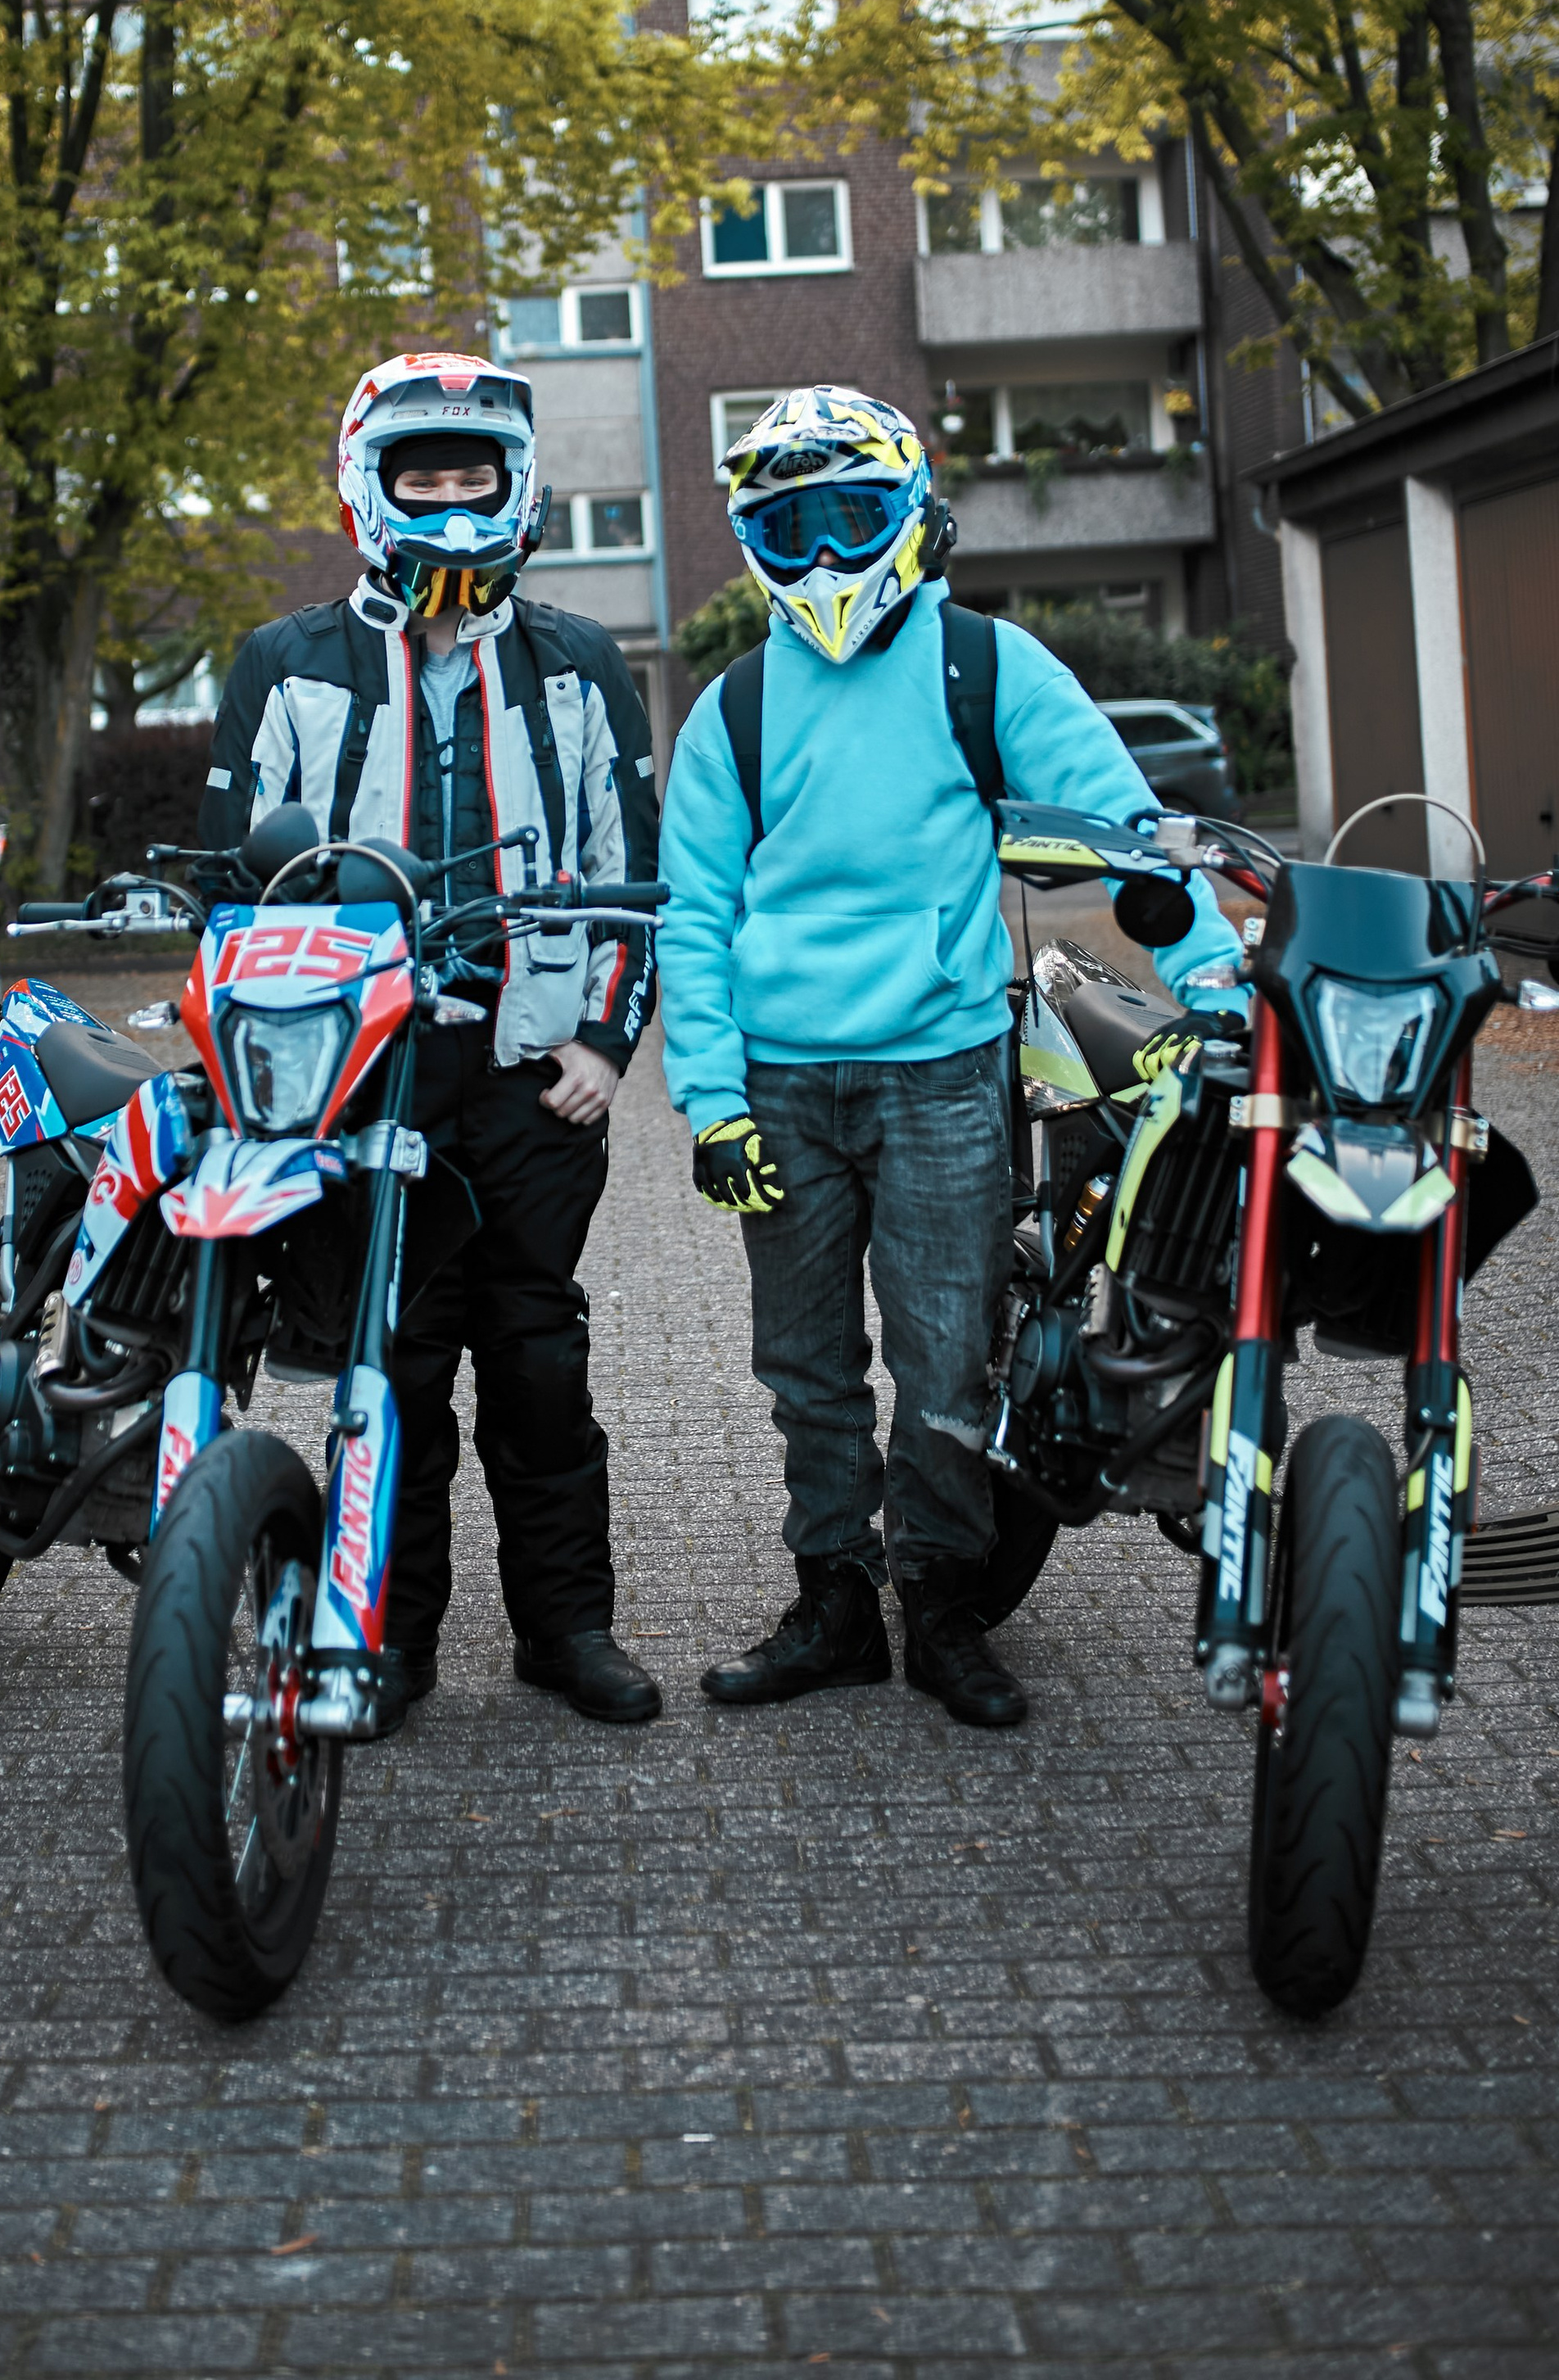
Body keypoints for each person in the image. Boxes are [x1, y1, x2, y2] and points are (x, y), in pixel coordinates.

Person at [657, 385, 1242, 1730]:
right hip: (782, 1094)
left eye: (849, 519)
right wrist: (711, 1106)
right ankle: (834, 1607)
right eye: (786, 528)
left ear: (911, 516)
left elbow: (1126, 824)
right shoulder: (732, 710)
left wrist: (1208, 971)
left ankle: (941, 1610)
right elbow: (693, 918)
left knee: (942, 1363)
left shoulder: (988, 666)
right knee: (803, 1369)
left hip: (945, 1074)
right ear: (754, 541)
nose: (819, 558)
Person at [201, 350, 663, 1726]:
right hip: (365, 1075)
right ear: (370, 487)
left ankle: (566, 1632)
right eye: (426, 477)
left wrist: (603, 1045)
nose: (454, 500)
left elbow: (632, 871)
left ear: (518, 487)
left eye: (477, 476)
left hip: (532, 1078)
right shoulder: (285, 665)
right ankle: (389, 1640)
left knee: (539, 1362)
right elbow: (233, 891)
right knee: (389, 1374)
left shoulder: (580, 662)